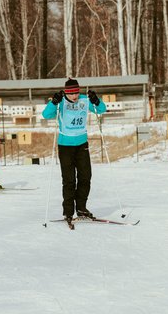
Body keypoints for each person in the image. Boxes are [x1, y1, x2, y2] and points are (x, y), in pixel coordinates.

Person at [42, 78, 106, 225]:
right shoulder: (60, 103)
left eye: (76, 93)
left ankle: (82, 208)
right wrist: (53, 102)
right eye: (71, 94)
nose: (74, 97)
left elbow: (102, 109)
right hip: (65, 145)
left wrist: (97, 101)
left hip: (82, 143)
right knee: (69, 180)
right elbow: (46, 115)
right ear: (65, 93)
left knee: (85, 176)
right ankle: (68, 211)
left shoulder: (84, 100)